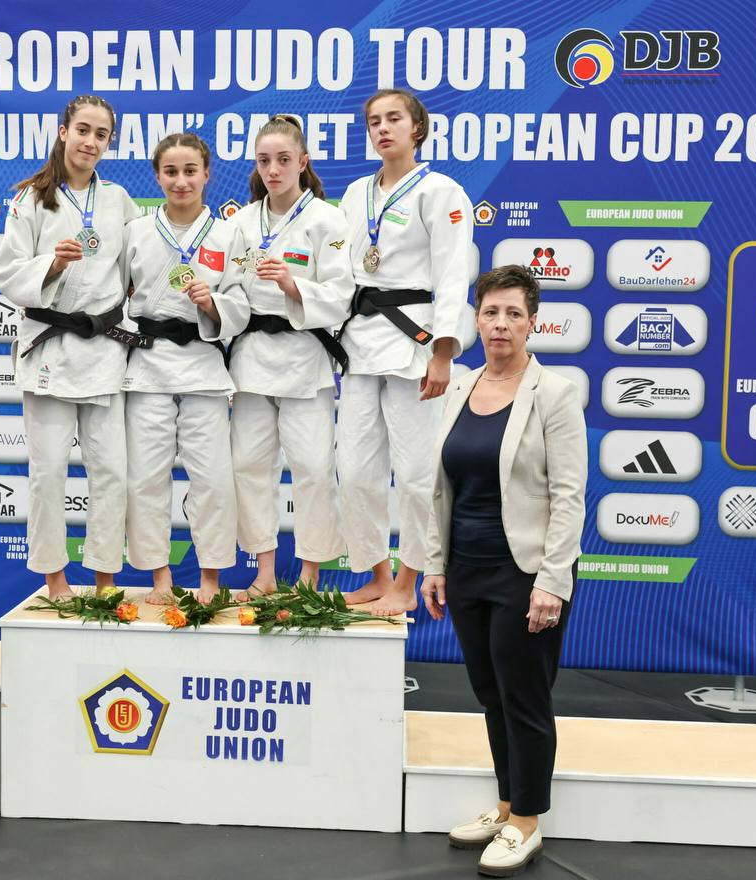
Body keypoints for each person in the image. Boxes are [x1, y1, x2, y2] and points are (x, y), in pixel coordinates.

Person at [419, 265, 586, 876]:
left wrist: (552, 582)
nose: (501, 324)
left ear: (532, 323)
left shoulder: (555, 393)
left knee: (524, 699)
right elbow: (441, 489)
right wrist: (435, 565)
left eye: (514, 313)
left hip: (526, 574)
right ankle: (507, 806)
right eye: (491, 312)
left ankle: (527, 824)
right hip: (466, 569)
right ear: (476, 319)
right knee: (490, 696)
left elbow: (568, 496)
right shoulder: (460, 387)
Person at [0, 95, 140, 598]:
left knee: (111, 471)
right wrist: (52, 265)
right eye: (83, 130)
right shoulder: (32, 199)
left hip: (103, 349)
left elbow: (133, 268)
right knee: (49, 472)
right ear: (63, 132)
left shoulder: (118, 200)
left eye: (101, 134)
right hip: (51, 349)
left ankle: (104, 577)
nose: (90, 142)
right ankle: (54, 579)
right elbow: (8, 274)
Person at [335, 88, 474, 616]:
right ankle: (378, 575)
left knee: (416, 475)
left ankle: (409, 580)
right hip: (358, 346)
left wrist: (443, 353)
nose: (382, 128)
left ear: (417, 128)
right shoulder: (355, 194)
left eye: (393, 118)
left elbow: (453, 275)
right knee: (355, 469)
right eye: (374, 121)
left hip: (414, 345)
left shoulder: (441, 191)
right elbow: (340, 271)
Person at [227, 114, 354, 594]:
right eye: (264, 161)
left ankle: (308, 575)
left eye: (283, 160)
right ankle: (263, 571)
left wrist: (292, 285)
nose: (273, 170)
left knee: (314, 469)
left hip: (304, 356)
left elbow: (341, 294)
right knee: (249, 467)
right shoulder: (240, 223)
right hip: (251, 357)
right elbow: (229, 289)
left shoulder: (327, 219)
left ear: (303, 162)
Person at [123, 132, 249, 604]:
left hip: (203, 367)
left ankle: (210, 579)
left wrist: (213, 303)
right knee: (145, 478)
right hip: (148, 367)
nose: (181, 181)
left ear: (206, 174)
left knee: (213, 479)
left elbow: (242, 302)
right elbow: (115, 296)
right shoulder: (136, 231)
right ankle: (160, 578)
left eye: (190, 171)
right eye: (171, 172)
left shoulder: (228, 234)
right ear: (157, 176)